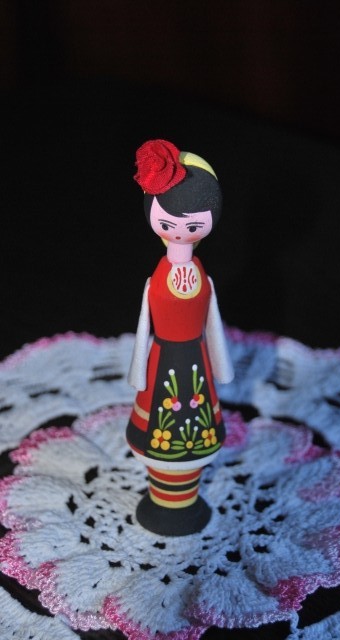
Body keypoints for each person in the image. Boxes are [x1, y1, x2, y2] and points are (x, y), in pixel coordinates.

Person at [126, 139, 233, 535]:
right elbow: (145, 323)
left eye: (191, 225)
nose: (179, 232)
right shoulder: (158, 278)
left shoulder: (201, 276)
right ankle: (166, 502)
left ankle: (181, 502)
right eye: (169, 224)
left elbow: (212, 320)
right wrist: (138, 372)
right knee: (158, 435)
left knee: (191, 435)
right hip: (166, 361)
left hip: (192, 361)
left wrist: (221, 365)